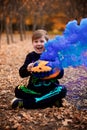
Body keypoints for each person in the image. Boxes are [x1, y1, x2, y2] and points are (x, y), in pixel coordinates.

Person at [11, 29, 67, 109]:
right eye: (36, 41)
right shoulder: (31, 56)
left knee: (62, 89)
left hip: (50, 89)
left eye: (41, 41)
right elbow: (21, 73)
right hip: (34, 90)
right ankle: (50, 100)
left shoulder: (52, 56)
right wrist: (27, 68)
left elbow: (61, 74)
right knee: (18, 89)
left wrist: (54, 69)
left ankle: (25, 103)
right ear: (32, 43)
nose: (38, 44)